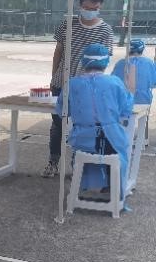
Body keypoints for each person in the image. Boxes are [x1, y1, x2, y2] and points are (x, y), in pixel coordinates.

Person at [43, 0, 114, 178]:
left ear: (100, 6)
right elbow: (58, 51)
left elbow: (104, 62)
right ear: (80, 5)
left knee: (82, 128)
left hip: (86, 90)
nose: (90, 11)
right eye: (86, 7)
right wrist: (54, 77)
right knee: (58, 124)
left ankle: (78, 166)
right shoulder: (67, 24)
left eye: (94, 8)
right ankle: (53, 162)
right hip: (60, 84)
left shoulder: (105, 31)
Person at [56, 43, 133, 199]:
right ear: (105, 63)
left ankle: (83, 182)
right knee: (119, 150)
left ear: (83, 62)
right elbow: (125, 110)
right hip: (110, 139)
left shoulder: (72, 83)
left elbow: (62, 111)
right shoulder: (115, 82)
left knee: (80, 152)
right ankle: (113, 186)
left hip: (83, 140)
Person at [111, 39, 156, 105]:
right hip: (143, 100)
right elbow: (153, 83)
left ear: (129, 50)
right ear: (142, 50)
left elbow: (113, 83)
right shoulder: (149, 63)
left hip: (123, 102)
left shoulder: (120, 63)